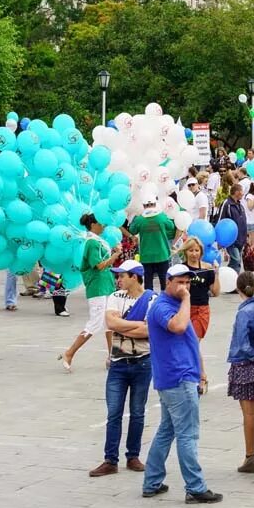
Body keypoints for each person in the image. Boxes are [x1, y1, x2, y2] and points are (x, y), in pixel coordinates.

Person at [140, 264, 221, 503]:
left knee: (167, 430)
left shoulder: (175, 305)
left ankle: (152, 481)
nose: (185, 287)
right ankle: (195, 488)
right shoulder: (163, 306)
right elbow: (178, 327)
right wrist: (187, 299)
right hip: (177, 378)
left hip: (179, 377)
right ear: (168, 282)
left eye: (188, 283)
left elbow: (191, 340)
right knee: (188, 434)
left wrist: (201, 372)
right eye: (180, 283)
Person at [89, 259, 153, 478]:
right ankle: (110, 459)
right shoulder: (115, 297)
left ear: (134, 277)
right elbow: (112, 324)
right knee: (114, 413)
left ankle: (133, 456)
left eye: (122, 276)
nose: (118, 279)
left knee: (137, 412)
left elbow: (150, 330)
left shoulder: (152, 299)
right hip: (118, 363)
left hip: (143, 362)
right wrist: (136, 327)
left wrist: (125, 327)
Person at [59, 214, 119, 371]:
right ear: (93, 225)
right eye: (100, 223)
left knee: (109, 322)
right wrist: (115, 255)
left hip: (105, 285)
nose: (104, 226)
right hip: (97, 287)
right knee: (96, 323)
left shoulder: (97, 241)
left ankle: (112, 356)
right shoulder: (92, 242)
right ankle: (69, 353)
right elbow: (98, 265)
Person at [226, 271, 254, 474]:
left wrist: (253, 355)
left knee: (248, 413)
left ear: (238, 289)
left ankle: (249, 455)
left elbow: (243, 343)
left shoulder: (243, 312)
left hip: (245, 364)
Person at [126, 199, 176, 290]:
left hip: (146, 256)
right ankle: (164, 303)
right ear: (155, 204)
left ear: (144, 206)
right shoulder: (161, 217)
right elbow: (171, 226)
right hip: (162, 254)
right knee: (165, 283)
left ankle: (149, 302)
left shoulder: (140, 219)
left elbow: (132, 230)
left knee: (148, 284)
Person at [178, 236, 220, 339]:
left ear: (201, 252)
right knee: (186, 344)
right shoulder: (181, 269)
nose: (194, 253)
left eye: (197, 250)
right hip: (183, 309)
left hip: (201, 310)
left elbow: (216, 292)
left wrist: (216, 274)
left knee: (194, 341)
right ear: (185, 252)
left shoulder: (207, 268)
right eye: (191, 250)